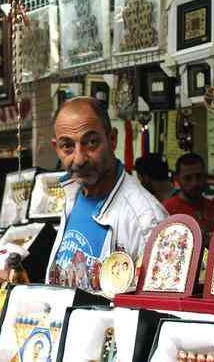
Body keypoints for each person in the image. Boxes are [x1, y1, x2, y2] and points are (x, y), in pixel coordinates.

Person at [46, 97, 167, 291]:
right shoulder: (73, 193)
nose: (79, 159)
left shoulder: (146, 219)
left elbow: (157, 307)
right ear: (56, 148)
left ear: (112, 139)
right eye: (67, 146)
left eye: (91, 142)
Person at [163, 153, 214, 242]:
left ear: (205, 176)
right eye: (187, 178)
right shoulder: (168, 210)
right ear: (177, 178)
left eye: (199, 176)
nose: (194, 183)